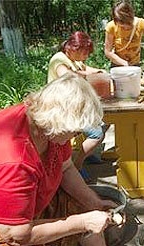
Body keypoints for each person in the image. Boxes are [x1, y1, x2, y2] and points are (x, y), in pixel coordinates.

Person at [0, 72, 116, 246]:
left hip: (9, 208)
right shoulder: (12, 157)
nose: (76, 133)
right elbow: (15, 234)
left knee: (82, 204)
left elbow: (66, 168)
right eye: (75, 129)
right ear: (60, 121)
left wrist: (95, 204)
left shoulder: (49, 126)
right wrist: (83, 222)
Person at [48, 31, 107, 179]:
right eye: (85, 53)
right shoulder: (59, 59)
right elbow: (67, 75)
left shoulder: (75, 61)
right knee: (96, 134)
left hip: (75, 104)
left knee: (106, 121)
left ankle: (86, 154)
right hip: (62, 107)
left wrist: (101, 72)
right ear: (73, 49)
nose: (86, 56)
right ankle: (77, 164)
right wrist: (87, 76)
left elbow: (86, 69)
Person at [104, 0, 144, 81]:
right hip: (117, 68)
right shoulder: (111, 27)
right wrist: (123, 63)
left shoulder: (142, 24)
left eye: (126, 23)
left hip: (135, 66)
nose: (124, 27)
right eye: (121, 24)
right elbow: (107, 51)